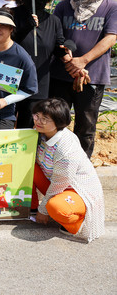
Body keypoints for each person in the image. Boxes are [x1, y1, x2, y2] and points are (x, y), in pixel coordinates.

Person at [49, 0, 117, 157]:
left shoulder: (111, 7)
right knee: (56, 122)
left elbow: (111, 37)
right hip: (61, 74)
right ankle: (53, 161)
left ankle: (81, 165)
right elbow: (56, 37)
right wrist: (70, 61)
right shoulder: (63, 6)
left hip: (92, 76)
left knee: (86, 126)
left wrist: (83, 61)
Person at [31, 98, 105, 242]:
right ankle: (32, 207)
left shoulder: (66, 148)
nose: (38, 121)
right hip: (56, 183)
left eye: (45, 119)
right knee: (27, 167)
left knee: (56, 207)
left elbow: (60, 183)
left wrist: (43, 210)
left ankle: (76, 223)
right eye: (37, 116)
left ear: (59, 122)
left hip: (76, 190)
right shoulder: (42, 134)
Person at [8, 0, 68, 128]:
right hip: (9, 78)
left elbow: (59, 45)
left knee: (29, 125)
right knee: (5, 122)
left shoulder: (53, 21)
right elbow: (3, 39)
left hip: (38, 81)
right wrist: (25, 27)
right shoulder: (11, 14)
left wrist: (68, 49)